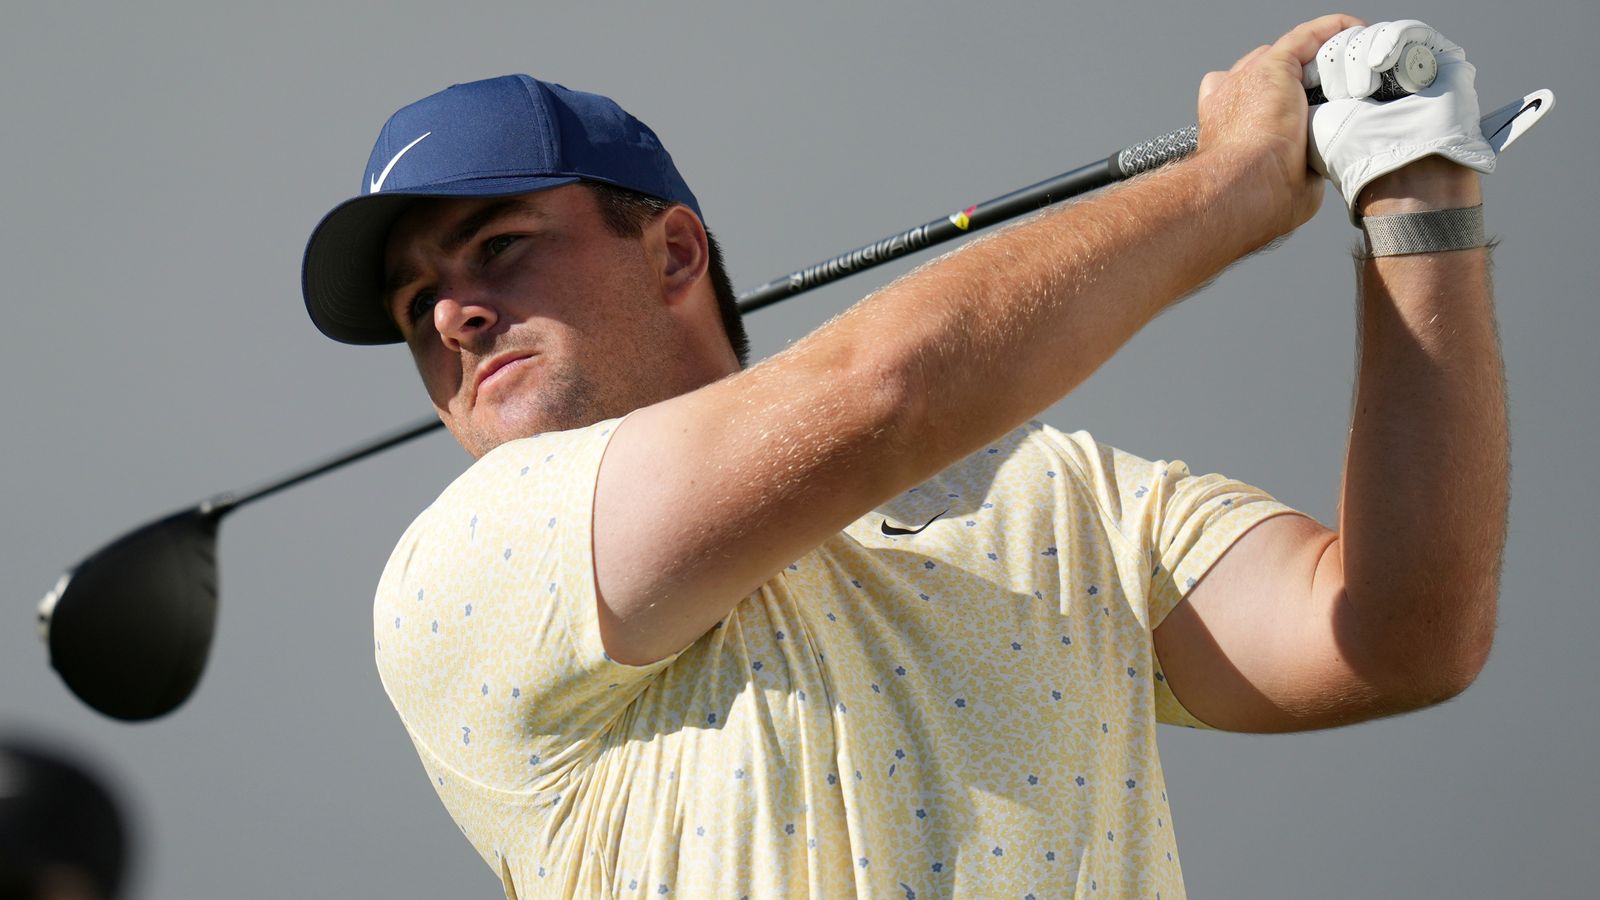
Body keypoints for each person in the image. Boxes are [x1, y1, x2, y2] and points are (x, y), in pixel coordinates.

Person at [301, 14, 1507, 898]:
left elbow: (1398, 635)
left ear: (673, 256)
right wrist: (1231, 186)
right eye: (416, 309)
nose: (452, 317)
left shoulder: (1057, 495)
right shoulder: (465, 560)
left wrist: (1418, 194)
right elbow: (887, 393)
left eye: (498, 247)